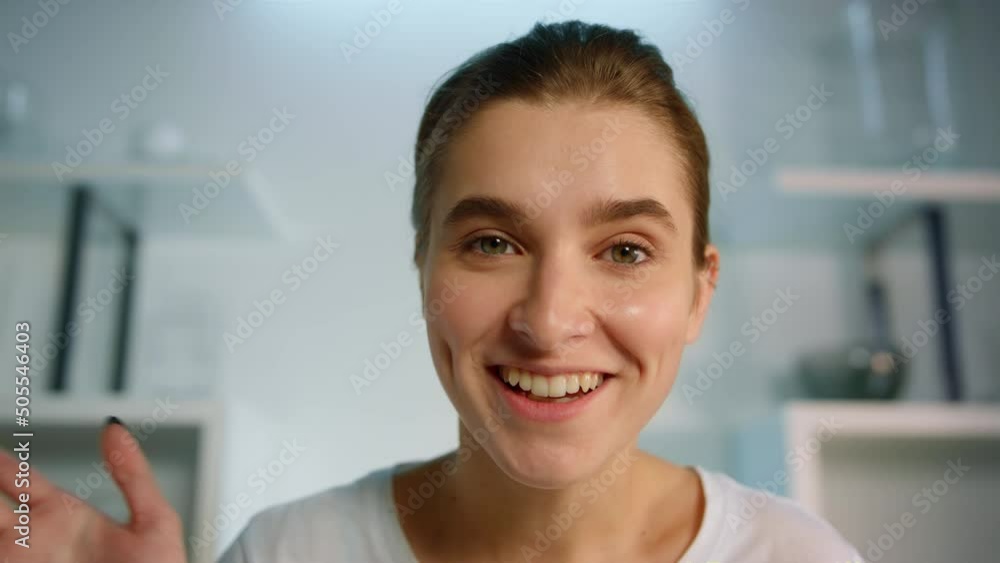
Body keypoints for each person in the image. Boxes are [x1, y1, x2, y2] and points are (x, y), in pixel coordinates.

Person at [0, 20, 862, 563]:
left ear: (700, 291)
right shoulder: (288, 550)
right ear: (423, 266)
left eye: (626, 250)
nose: (550, 319)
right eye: (492, 241)